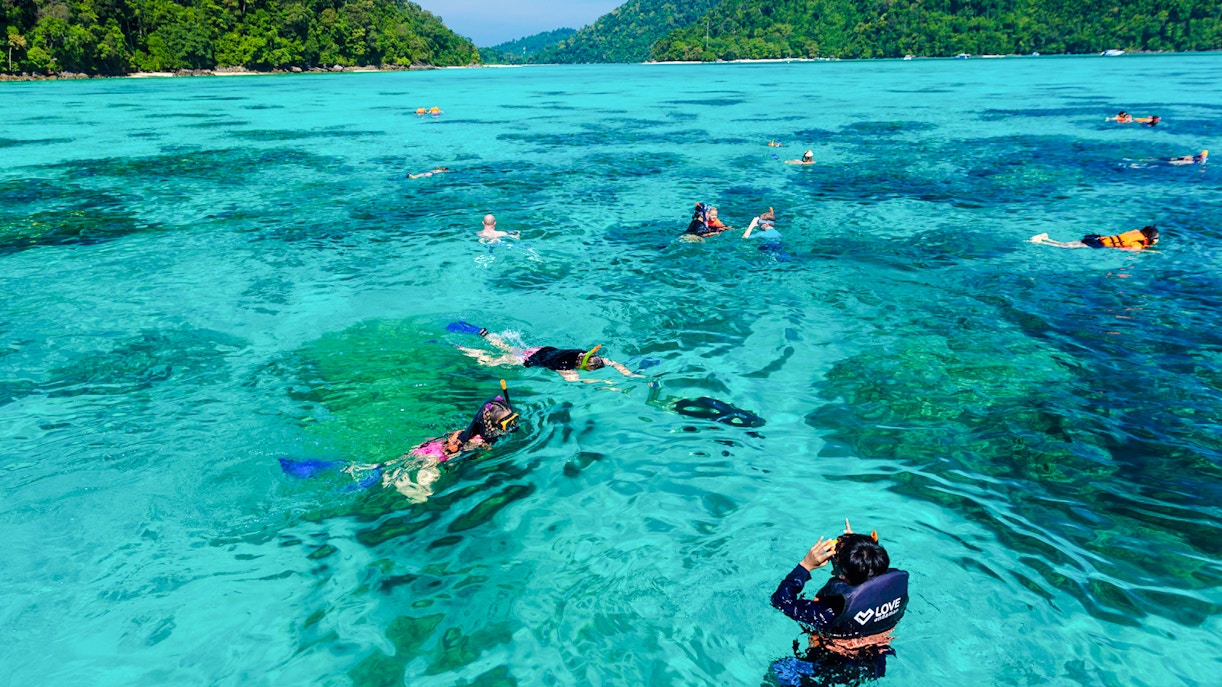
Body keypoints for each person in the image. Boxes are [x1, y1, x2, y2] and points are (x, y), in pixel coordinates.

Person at [279, 383, 519, 502]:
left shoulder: (471, 430)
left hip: (429, 449)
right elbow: (466, 451)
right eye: (508, 424)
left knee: (381, 467)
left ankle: (321, 468)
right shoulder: (481, 439)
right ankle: (335, 485)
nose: (511, 427)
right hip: (432, 457)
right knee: (387, 479)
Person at [769, 520, 909, 687]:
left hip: (832, 668)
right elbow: (872, 567)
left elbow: (780, 601)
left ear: (842, 575)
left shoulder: (831, 611)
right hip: (875, 665)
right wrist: (859, 547)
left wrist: (805, 565)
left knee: (781, 669)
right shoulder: (892, 593)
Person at [450, 323, 642, 382]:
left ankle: (486, 334)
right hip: (530, 358)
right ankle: (462, 348)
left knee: (509, 347)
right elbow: (578, 382)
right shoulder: (566, 368)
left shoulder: (585, 354)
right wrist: (605, 382)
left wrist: (630, 374)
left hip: (542, 349)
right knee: (490, 361)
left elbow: (612, 362)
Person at [1029, 225, 1158, 250]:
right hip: (1099, 244)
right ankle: (1042, 241)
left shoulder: (1135, 233)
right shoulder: (1138, 243)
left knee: (1067, 244)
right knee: (1064, 246)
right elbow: (1130, 250)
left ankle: (1046, 238)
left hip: (1098, 238)